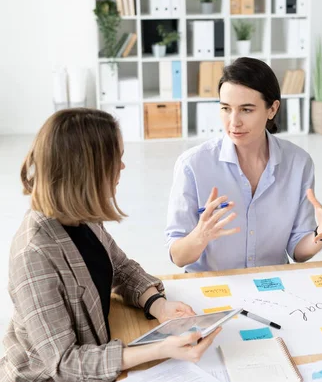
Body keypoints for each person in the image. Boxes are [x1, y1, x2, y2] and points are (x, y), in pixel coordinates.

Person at [1, 109, 220, 381]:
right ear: (87, 171)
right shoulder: (34, 255)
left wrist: (158, 306)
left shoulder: (82, 215)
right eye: (117, 158)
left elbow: (121, 268)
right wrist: (159, 349)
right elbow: (65, 364)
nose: (123, 167)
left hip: (100, 344)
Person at [166, 57, 322, 272]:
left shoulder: (298, 163)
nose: (234, 121)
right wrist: (200, 236)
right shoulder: (192, 165)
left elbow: (297, 251)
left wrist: (320, 235)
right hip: (215, 287)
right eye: (226, 108)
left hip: (271, 284)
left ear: (272, 109)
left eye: (246, 110)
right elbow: (178, 256)